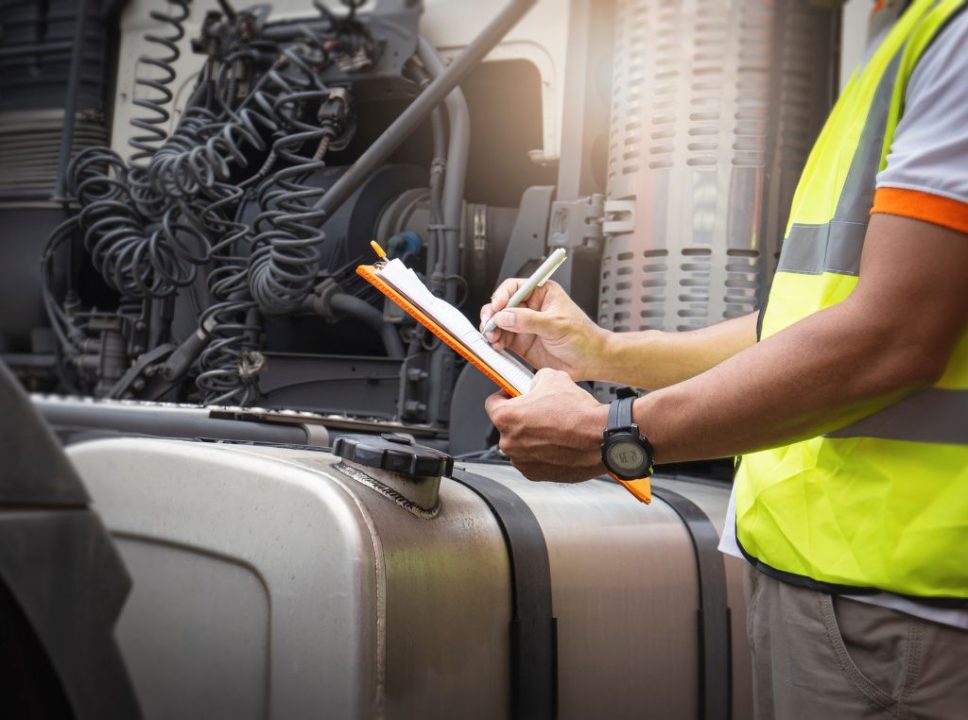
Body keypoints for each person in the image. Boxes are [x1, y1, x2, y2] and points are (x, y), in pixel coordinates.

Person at [480, 0, 968, 717]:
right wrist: (603, 352)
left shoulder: (952, 36)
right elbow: (805, 321)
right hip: (837, 593)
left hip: (910, 618)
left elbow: (894, 336)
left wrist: (612, 436)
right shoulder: (903, 35)